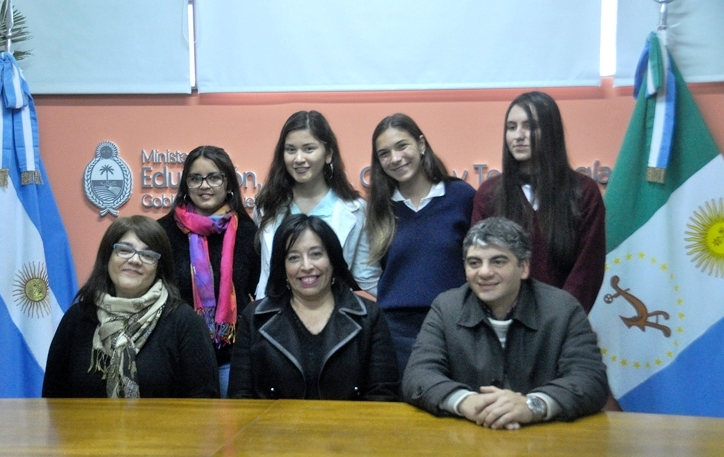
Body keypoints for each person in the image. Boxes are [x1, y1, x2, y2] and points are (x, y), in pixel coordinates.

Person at [402, 217, 609, 429]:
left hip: (543, 438)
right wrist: (466, 401)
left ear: (524, 267)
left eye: (498, 261)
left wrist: (532, 406)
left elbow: (590, 380)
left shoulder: (562, 308)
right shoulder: (446, 307)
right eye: (474, 263)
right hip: (469, 435)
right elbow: (418, 375)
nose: (484, 272)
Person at [42, 215, 220, 398]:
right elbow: (53, 398)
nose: (135, 260)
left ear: (160, 267)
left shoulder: (184, 322)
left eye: (148, 255)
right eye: (125, 250)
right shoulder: (78, 318)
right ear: (107, 257)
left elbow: (204, 403)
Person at [229, 214, 399, 400]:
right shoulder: (254, 318)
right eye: (294, 257)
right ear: (282, 266)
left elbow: (382, 396)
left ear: (332, 259)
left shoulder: (369, 316)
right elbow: (241, 398)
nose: (307, 266)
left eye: (316, 254)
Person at [471, 91, 605, 314]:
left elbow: (587, 269)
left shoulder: (583, 192)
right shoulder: (489, 194)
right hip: (503, 324)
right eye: (511, 127)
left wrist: (559, 320)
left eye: (530, 126)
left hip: (562, 325)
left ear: (551, 131)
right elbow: (483, 265)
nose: (519, 135)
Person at [366, 113, 475, 375]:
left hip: (455, 325)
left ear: (421, 144)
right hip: (397, 333)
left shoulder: (461, 196)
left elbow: (479, 261)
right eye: (384, 153)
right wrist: (393, 289)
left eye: (402, 145)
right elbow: (369, 269)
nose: (395, 158)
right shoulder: (379, 208)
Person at [157, 145, 259, 398]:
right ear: (185, 185)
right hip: (178, 355)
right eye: (195, 178)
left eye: (214, 177)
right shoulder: (162, 233)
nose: (205, 185)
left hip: (231, 357)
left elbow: (262, 294)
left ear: (228, 183)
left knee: (231, 429)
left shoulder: (248, 233)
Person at [254, 110, 380, 299]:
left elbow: (367, 275)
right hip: (275, 317)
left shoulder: (356, 209)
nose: (298, 159)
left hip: (333, 317)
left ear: (328, 153)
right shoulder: (267, 206)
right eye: (290, 150)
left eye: (308, 148)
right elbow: (265, 272)